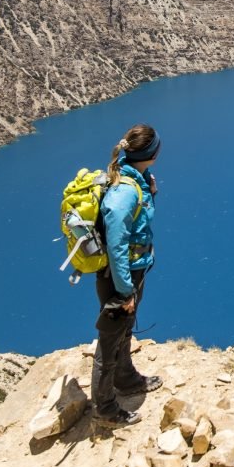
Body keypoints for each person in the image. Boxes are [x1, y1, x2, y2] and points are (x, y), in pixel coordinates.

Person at [91, 123, 164, 426]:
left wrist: (151, 190)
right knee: (109, 341)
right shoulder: (124, 192)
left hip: (132, 273)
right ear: (151, 152)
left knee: (124, 331)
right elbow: (118, 243)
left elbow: (137, 224)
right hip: (120, 277)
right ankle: (105, 409)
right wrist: (124, 292)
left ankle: (126, 378)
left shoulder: (136, 179)